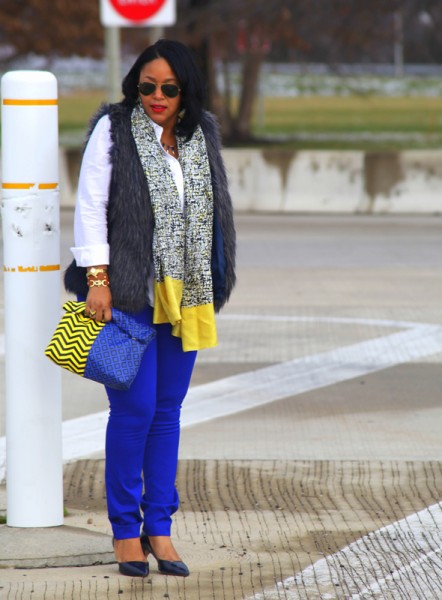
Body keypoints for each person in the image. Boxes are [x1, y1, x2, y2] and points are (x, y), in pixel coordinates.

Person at [64, 39, 236, 578]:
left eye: (168, 88)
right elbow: (91, 204)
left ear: (186, 90)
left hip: (186, 294)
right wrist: (98, 278)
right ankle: (123, 532)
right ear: (133, 85)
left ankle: (159, 528)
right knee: (134, 410)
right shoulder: (112, 130)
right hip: (130, 290)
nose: (156, 97)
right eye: (146, 87)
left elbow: (211, 213)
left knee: (167, 412)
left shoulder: (200, 133)